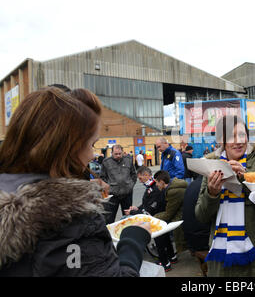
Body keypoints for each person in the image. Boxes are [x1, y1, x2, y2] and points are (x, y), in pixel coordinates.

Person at [0, 87, 152, 276]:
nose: (92, 155)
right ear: (66, 147)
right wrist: (133, 240)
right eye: (91, 144)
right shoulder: (70, 219)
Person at [195, 115, 255, 277]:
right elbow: (201, 216)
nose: (238, 141)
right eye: (231, 136)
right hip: (223, 259)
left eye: (242, 135)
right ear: (221, 141)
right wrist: (212, 193)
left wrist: (245, 179)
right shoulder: (211, 167)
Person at [153, 170, 188, 271]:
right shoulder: (174, 185)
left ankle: (165, 263)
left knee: (158, 229)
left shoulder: (173, 191)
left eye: (156, 182)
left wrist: (154, 217)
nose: (156, 185)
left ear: (162, 182)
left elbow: (168, 214)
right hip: (183, 214)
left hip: (180, 219)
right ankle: (172, 257)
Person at [101, 144, 138, 224]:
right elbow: (103, 177)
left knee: (128, 218)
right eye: (116, 154)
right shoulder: (106, 162)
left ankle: (127, 234)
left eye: (119, 154)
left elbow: (133, 174)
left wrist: (130, 185)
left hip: (127, 194)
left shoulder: (128, 160)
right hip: (113, 195)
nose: (118, 156)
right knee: (109, 218)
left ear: (122, 152)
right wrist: (109, 187)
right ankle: (110, 235)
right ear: (112, 153)